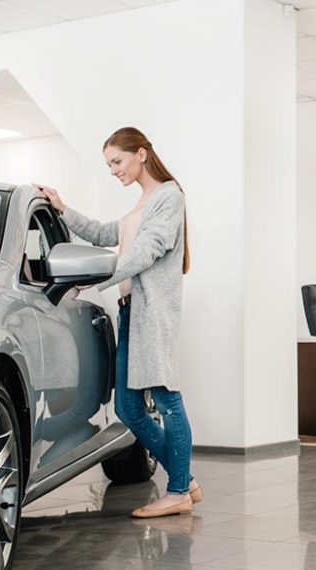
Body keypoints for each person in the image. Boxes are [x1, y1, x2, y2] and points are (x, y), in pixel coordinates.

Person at [37, 126, 200, 518]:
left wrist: (92, 282)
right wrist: (63, 209)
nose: (113, 169)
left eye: (117, 161)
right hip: (131, 312)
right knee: (128, 408)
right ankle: (185, 478)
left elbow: (146, 251)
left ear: (141, 154)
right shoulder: (142, 204)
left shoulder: (168, 197)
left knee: (166, 398)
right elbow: (104, 233)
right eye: (109, 164)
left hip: (151, 313)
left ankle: (178, 489)